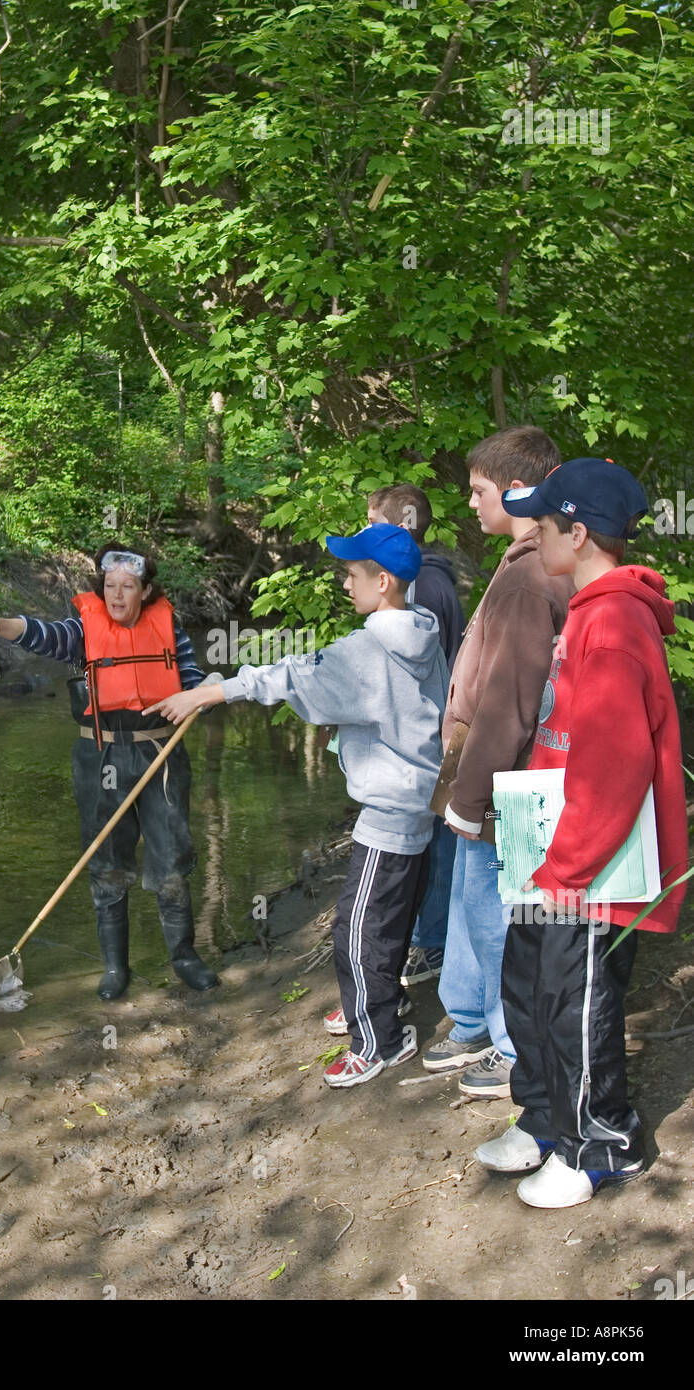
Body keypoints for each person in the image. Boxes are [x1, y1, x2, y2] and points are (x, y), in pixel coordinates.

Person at [146, 524, 448, 1087]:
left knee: (356, 931)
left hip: (391, 813)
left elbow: (294, 675)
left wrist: (211, 692)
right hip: (418, 801)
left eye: (352, 574)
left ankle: (378, 1040)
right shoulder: (422, 634)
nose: (344, 583)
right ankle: (387, 1010)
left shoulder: (368, 651)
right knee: (389, 919)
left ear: (382, 582)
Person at [474, 457, 688, 1208]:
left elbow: (615, 767)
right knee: (529, 985)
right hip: (554, 854)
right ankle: (544, 1117)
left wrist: (566, 867)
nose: (531, 531)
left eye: (543, 520)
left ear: (580, 532)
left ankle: (602, 1140)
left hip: (592, 870)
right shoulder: (586, 611)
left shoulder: (615, 623)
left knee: (577, 999)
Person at [0, 544, 219, 999]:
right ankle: (114, 967)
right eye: (109, 586)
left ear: (146, 591)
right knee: (107, 865)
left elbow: (191, 687)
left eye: (127, 586)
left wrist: (210, 688)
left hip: (161, 755)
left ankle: (185, 957)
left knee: (170, 862)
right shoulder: (83, 631)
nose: (116, 594)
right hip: (101, 760)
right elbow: (37, 634)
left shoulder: (169, 627)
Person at [424, 426, 573, 1099]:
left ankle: (512, 1044)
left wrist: (470, 796)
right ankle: (470, 1017)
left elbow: (511, 702)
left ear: (518, 491)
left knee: (496, 903)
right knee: (469, 891)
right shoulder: (524, 561)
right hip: (480, 764)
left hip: (503, 774)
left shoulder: (531, 574)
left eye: (479, 490)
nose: (470, 502)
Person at [367, 483, 465, 987]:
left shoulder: (419, 586)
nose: (364, 532)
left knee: (435, 843)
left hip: (433, 737)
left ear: (401, 525)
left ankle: (432, 944)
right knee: (438, 839)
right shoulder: (434, 579)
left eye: (371, 522)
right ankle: (432, 939)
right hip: (440, 732)